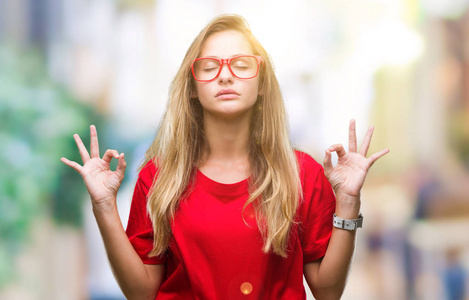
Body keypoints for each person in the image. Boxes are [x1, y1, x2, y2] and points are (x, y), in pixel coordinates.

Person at [61, 14, 389, 300]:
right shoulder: (158, 177)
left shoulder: (302, 173)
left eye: (241, 65)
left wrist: (348, 201)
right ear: (192, 86)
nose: (226, 75)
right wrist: (104, 207)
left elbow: (328, 291)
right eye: (210, 66)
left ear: (262, 84)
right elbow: (142, 292)